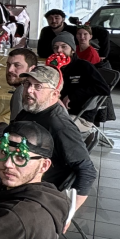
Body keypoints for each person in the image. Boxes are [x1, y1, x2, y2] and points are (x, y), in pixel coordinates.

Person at [14, 65, 96, 210]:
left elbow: (87, 171)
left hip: (34, 193)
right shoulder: (31, 110)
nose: (28, 90)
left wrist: (68, 213)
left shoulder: (60, 126)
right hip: (17, 173)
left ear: (54, 94)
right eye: (27, 83)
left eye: (38, 86)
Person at [49, 32, 110, 119]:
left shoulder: (83, 66)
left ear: (72, 50)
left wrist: (72, 96)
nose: (59, 50)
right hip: (55, 111)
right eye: (55, 47)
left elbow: (104, 89)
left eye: (64, 46)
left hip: (78, 115)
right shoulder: (53, 67)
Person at [6, 48, 37, 119]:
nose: (10, 69)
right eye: (8, 65)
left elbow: (16, 128)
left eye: (17, 65)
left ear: (31, 69)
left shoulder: (23, 91)